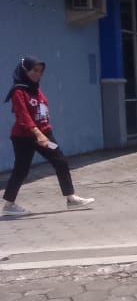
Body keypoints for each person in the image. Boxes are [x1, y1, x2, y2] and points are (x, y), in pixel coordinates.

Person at [3, 56, 94, 216]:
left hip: (45, 134)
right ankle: (9, 205)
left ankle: (71, 198)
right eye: (34, 70)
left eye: (41, 71)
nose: (38, 74)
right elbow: (23, 116)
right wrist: (38, 134)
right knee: (21, 170)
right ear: (25, 71)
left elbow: (42, 109)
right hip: (25, 137)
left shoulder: (35, 88)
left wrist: (45, 132)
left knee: (61, 161)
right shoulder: (18, 91)